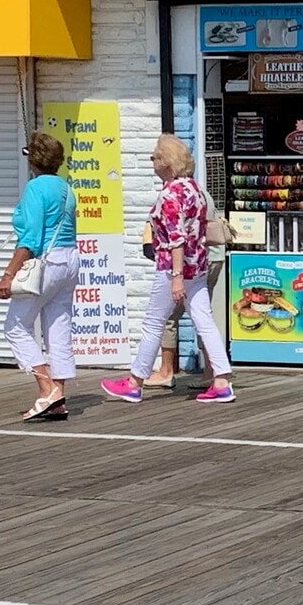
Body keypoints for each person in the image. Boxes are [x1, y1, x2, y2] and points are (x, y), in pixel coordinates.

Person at [102, 135, 235, 405]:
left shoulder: (170, 194)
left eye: (154, 156)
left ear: (165, 162)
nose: (152, 161)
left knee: (154, 322)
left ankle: (134, 382)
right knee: (205, 321)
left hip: (173, 268)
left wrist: (175, 277)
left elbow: (175, 238)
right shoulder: (194, 189)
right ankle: (222, 379)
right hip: (198, 264)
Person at [0, 130, 79, 422]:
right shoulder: (66, 189)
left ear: (34, 159)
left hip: (49, 260)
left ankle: (47, 390)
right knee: (58, 326)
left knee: (15, 326)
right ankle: (58, 395)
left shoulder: (35, 188)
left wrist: (9, 274)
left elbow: (30, 239)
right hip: (71, 259)